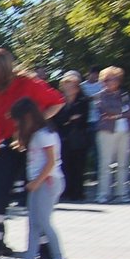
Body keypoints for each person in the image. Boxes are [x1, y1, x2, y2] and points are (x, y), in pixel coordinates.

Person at [0, 48, 63, 259]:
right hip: (6, 146)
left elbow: (57, 103)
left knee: (37, 201)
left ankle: (47, 253)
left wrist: (34, 126)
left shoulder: (28, 84)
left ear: (0, 70)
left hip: (33, 145)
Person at [8, 97, 70, 259]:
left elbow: (51, 162)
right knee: (34, 223)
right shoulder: (37, 134)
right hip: (41, 182)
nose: (17, 124)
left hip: (47, 181)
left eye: (19, 120)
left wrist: (36, 182)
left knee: (43, 221)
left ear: (27, 117)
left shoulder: (44, 134)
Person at [91, 66, 130, 203]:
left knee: (123, 163)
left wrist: (119, 113)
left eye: (114, 79)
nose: (111, 82)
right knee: (105, 163)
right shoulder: (99, 95)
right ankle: (103, 194)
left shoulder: (124, 94)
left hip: (125, 131)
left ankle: (122, 193)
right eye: (107, 79)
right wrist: (122, 113)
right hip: (106, 132)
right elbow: (106, 110)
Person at [53, 72, 92, 202]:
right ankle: (65, 192)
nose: (68, 89)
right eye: (66, 86)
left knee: (78, 166)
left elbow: (81, 119)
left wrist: (68, 120)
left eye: (71, 86)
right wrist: (70, 119)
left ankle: (78, 192)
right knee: (65, 166)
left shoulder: (83, 101)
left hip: (79, 137)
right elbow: (59, 119)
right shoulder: (59, 101)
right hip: (63, 137)